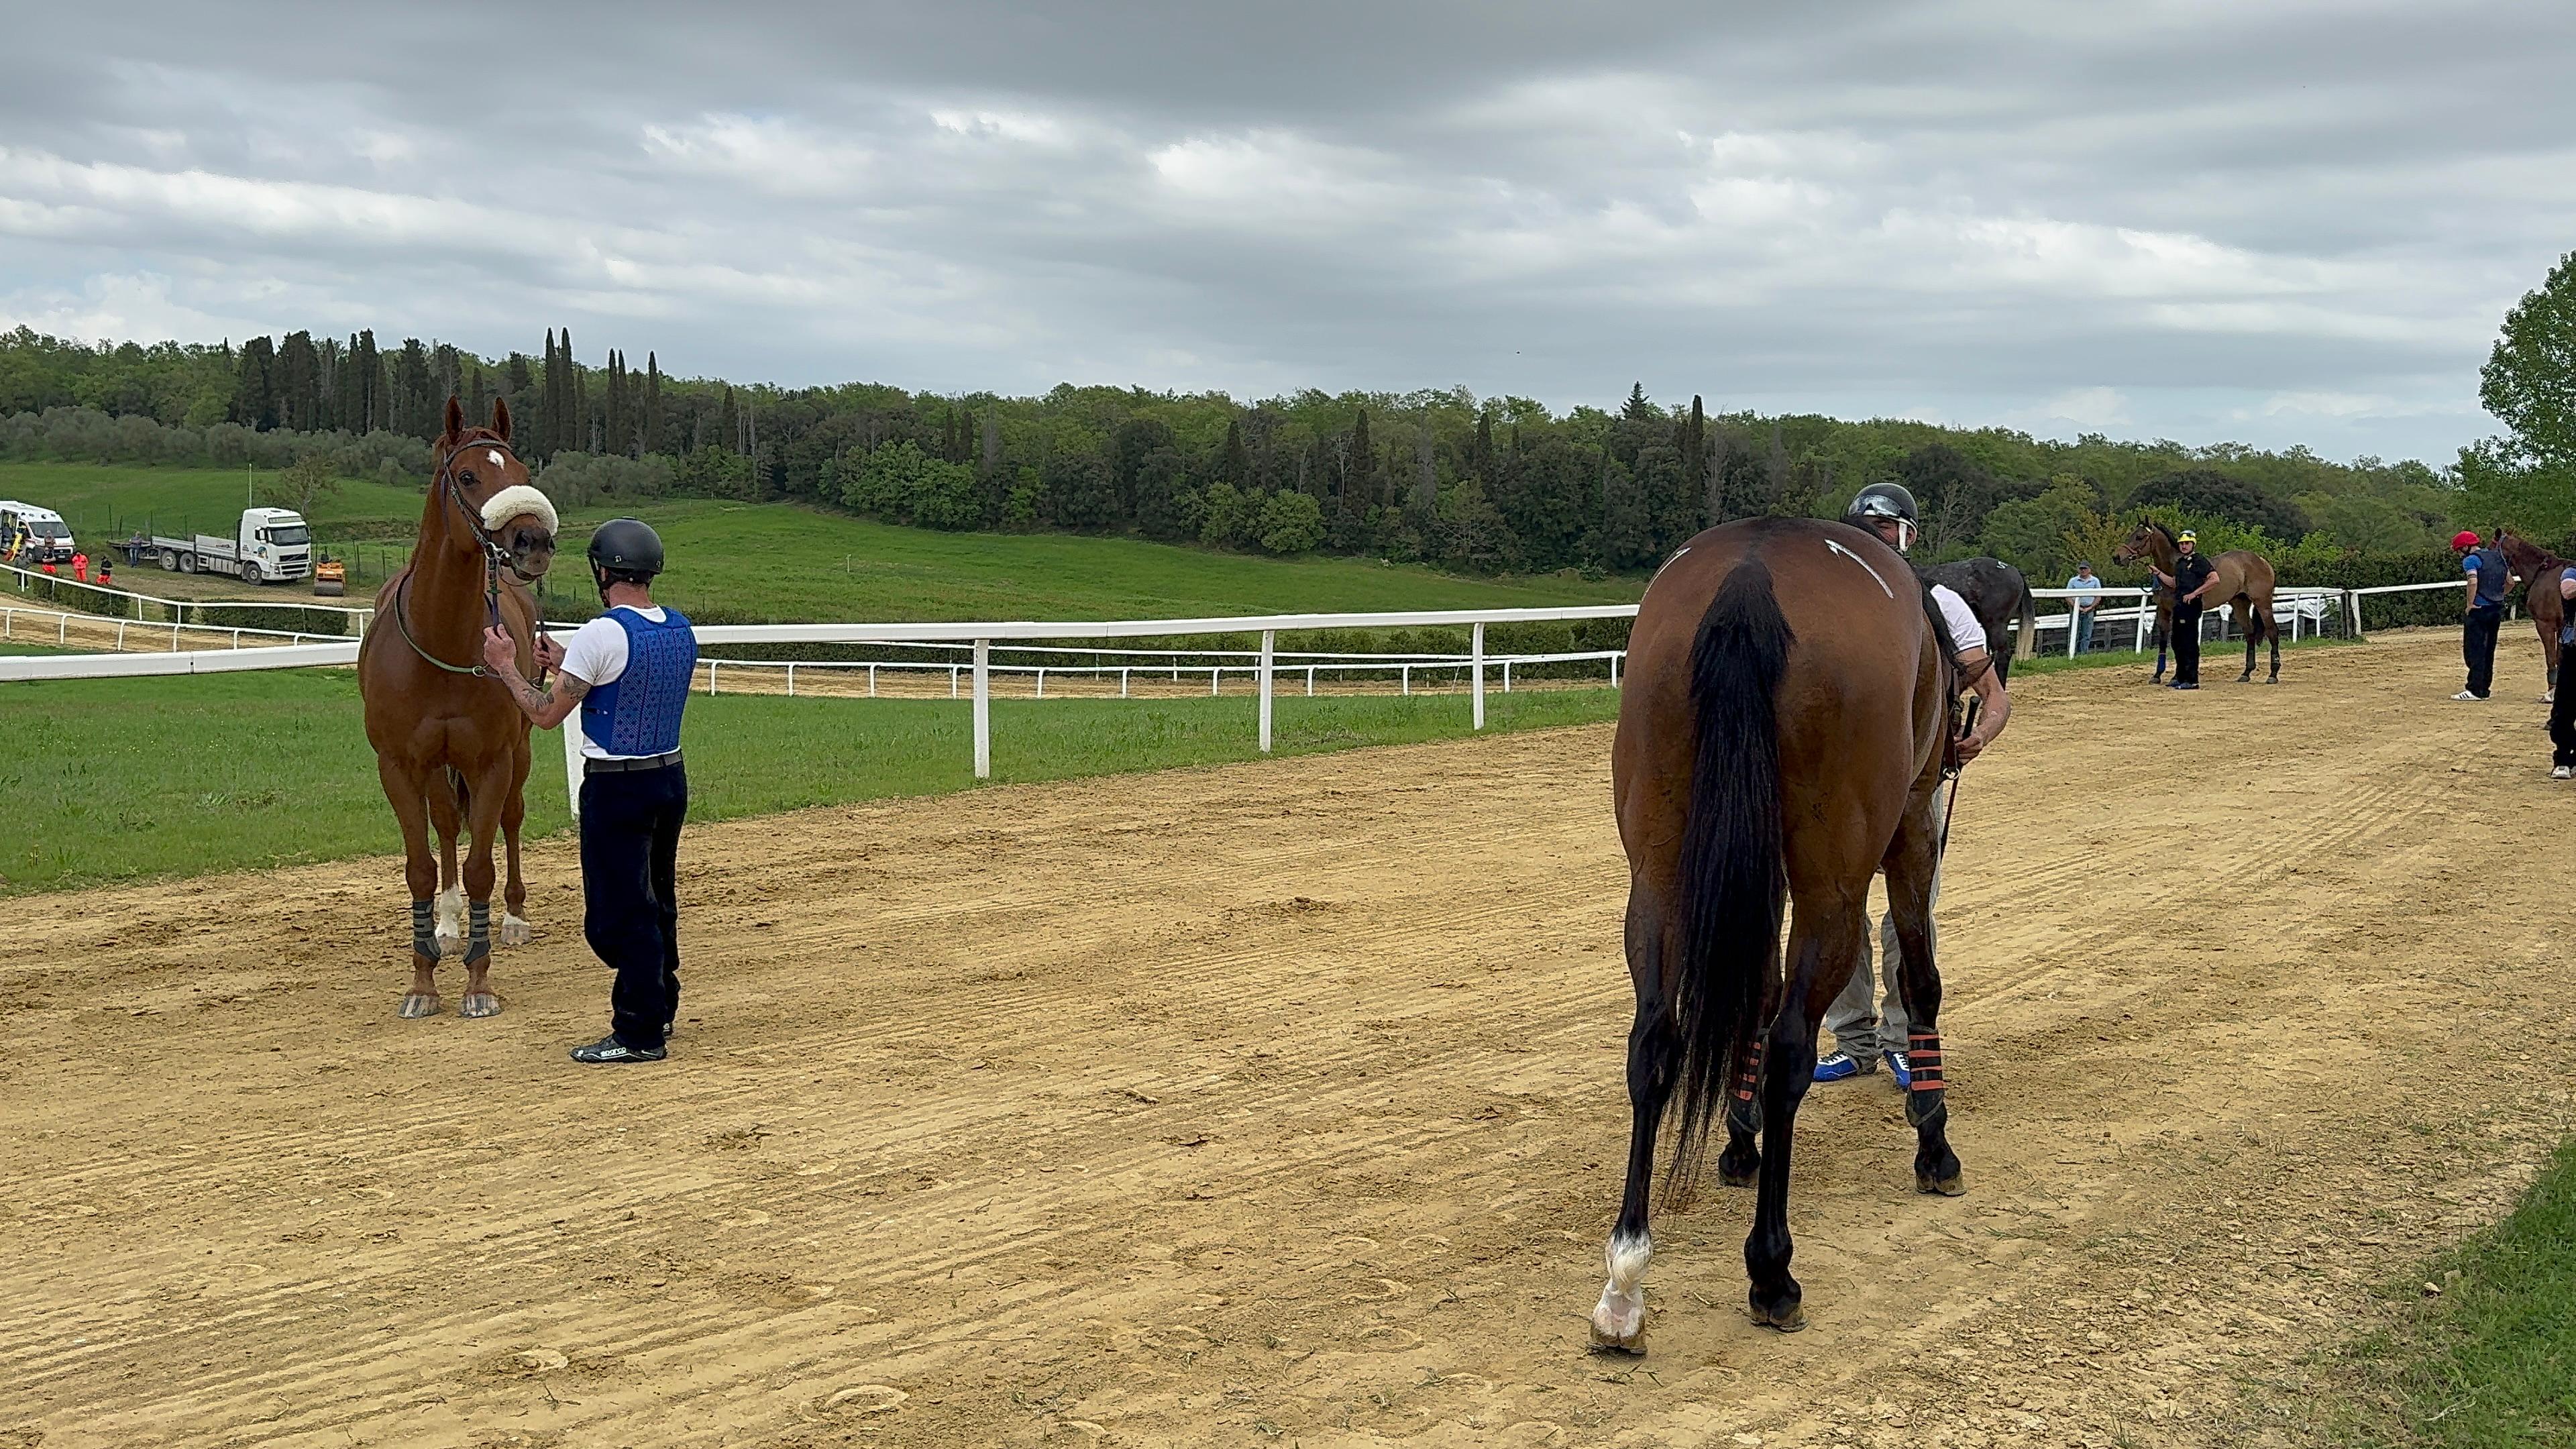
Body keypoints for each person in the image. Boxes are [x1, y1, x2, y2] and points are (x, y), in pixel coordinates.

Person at [482, 518, 698, 1065]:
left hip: (616, 788)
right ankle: (659, 1006)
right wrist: (564, 663)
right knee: (658, 900)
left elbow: (546, 714)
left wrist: (508, 668)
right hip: (668, 778)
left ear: (602, 571)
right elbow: (627, 678)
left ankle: (638, 1030)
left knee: (619, 915)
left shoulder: (602, 632)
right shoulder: (678, 627)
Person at [1817, 482, 2013, 1085]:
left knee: (1909, 916)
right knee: (1835, 913)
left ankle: (1903, 1036)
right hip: (1841, 792)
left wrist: (1981, 736)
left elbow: (1995, 696)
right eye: (1868, 530)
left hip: (1916, 789)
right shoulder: (1826, 604)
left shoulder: (1941, 604)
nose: (1878, 541)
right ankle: (1854, 1040)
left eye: (1887, 531)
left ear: (1908, 538)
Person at [2147, 531, 2218, 689]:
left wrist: (2195, 593)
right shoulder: (2180, 563)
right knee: (2177, 642)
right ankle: (2180, 675)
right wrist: (2157, 573)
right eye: (2182, 544)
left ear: (2193, 544)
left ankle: (2192, 679)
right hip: (2179, 605)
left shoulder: (2199, 561)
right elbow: (2174, 583)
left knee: (2189, 642)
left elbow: (2214, 579)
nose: (2184, 546)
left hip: (2191, 606)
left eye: (2187, 543)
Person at [2453, 529, 2509, 702]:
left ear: (2464, 548)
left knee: (2474, 650)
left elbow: (2473, 581)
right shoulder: (2497, 557)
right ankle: (2484, 688)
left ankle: (2474, 689)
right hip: (2496, 609)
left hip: (2479, 610)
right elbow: (2510, 582)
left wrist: (2470, 604)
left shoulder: (2471, 561)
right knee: (2489, 649)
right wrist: (2499, 595)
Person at [2550, 570, 2576, 777]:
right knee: (2564, 708)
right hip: (2573, 651)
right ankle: (2563, 760)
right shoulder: (2571, 572)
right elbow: (2567, 591)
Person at [2065, 561, 2102, 655]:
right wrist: (2077, 607)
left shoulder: (2095, 581)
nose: (2083, 570)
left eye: (2085, 569)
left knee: (2086, 633)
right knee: (2074, 632)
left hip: (2089, 609)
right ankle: (2072, 653)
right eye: (2081, 569)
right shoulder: (2073, 581)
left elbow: (2098, 597)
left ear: (2089, 570)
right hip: (2075, 609)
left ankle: (2083, 654)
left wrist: (2090, 607)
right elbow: (2067, 596)